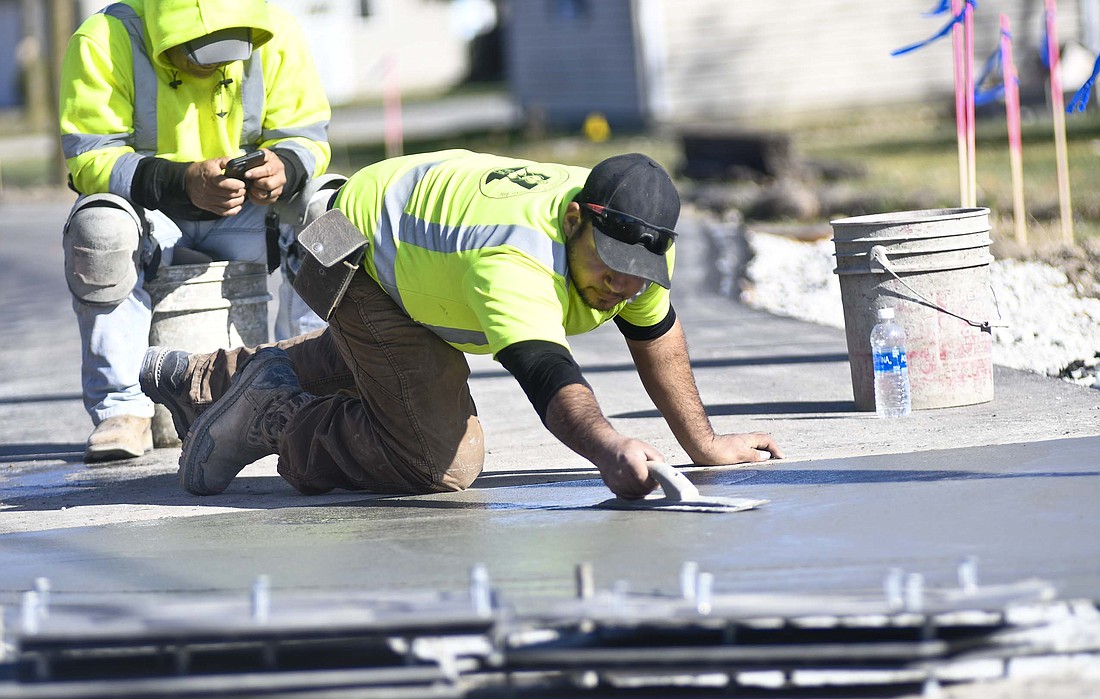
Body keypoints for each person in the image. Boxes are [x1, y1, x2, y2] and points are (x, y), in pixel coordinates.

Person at [141, 150, 783, 500]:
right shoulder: (514, 258)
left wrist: (703, 443)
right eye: (611, 266)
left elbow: (656, 333)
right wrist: (609, 448)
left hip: (392, 238)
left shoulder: (633, 239)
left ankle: (202, 380)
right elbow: (549, 379)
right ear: (573, 221)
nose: (626, 284)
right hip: (332, 240)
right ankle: (271, 416)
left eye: (640, 270)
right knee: (437, 458)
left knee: (394, 359)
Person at [58, 0, 336, 463]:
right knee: (98, 229)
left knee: (330, 214)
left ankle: (312, 384)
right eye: (203, 54)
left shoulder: (276, 32)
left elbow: (307, 134)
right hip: (153, 215)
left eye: (233, 51)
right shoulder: (103, 39)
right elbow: (89, 156)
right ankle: (123, 411)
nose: (222, 64)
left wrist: (283, 166)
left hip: (249, 211)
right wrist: (181, 183)